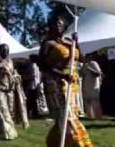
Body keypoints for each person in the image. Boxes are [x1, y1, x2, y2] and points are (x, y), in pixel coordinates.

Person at [38, 14, 93, 147]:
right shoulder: (47, 43)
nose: (58, 25)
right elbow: (43, 67)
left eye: (60, 23)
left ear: (64, 27)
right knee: (68, 118)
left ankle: (55, 143)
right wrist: (62, 76)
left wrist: (76, 42)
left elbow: (81, 58)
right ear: (50, 25)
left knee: (65, 119)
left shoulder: (68, 41)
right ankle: (80, 144)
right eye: (55, 23)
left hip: (72, 85)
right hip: (57, 84)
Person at [0, 44, 18, 140]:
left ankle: (1, 128)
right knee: (3, 110)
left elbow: (13, 73)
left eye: (6, 50)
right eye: (3, 50)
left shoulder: (11, 61)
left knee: (10, 110)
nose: (5, 52)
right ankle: (6, 132)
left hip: (9, 89)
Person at [82, 55, 103, 120]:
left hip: (94, 85)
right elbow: (83, 74)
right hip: (86, 84)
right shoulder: (85, 65)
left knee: (95, 101)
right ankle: (90, 117)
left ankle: (98, 116)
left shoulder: (93, 63)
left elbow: (98, 73)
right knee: (87, 101)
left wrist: (89, 68)